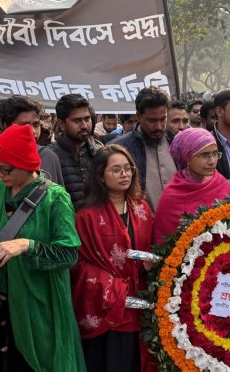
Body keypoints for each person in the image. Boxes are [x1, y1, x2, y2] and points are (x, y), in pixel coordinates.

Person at [0, 124, 85, 371]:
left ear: (28, 165)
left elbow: (69, 254)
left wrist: (28, 245)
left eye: (6, 168)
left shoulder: (55, 198)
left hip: (39, 303)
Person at [71, 144, 153, 372]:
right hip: (106, 306)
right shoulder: (86, 216)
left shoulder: (142, 208)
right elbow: (79, 265)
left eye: (128, 168)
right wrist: (115, 290)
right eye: (116, 170)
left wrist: (150, 265)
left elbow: (150, 247)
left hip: (141, 302)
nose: (125, 174)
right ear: (100, 176)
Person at [153, 127, 230, 244]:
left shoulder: (221, 183)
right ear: (187, 158)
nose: (212, 161)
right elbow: (164, 242)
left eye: (215, 154)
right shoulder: (172, 195)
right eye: (204, 155)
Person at [111, 86, 177, 210]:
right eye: (152, 121)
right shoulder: (120, 149)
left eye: (163, 119)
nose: (158, 126)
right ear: (139, 116)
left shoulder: (178, 142)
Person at [0, 95, 65, 186]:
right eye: (23, 125)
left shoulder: (49, 157)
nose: (31, 131)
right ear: (5, 126)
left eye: (36, 124)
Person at [48, 94, 102, 208]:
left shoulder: (100, 152)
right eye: (77, 120)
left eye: (87, 119)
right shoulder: (51, 156)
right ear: (62, 124)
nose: (84, 125)